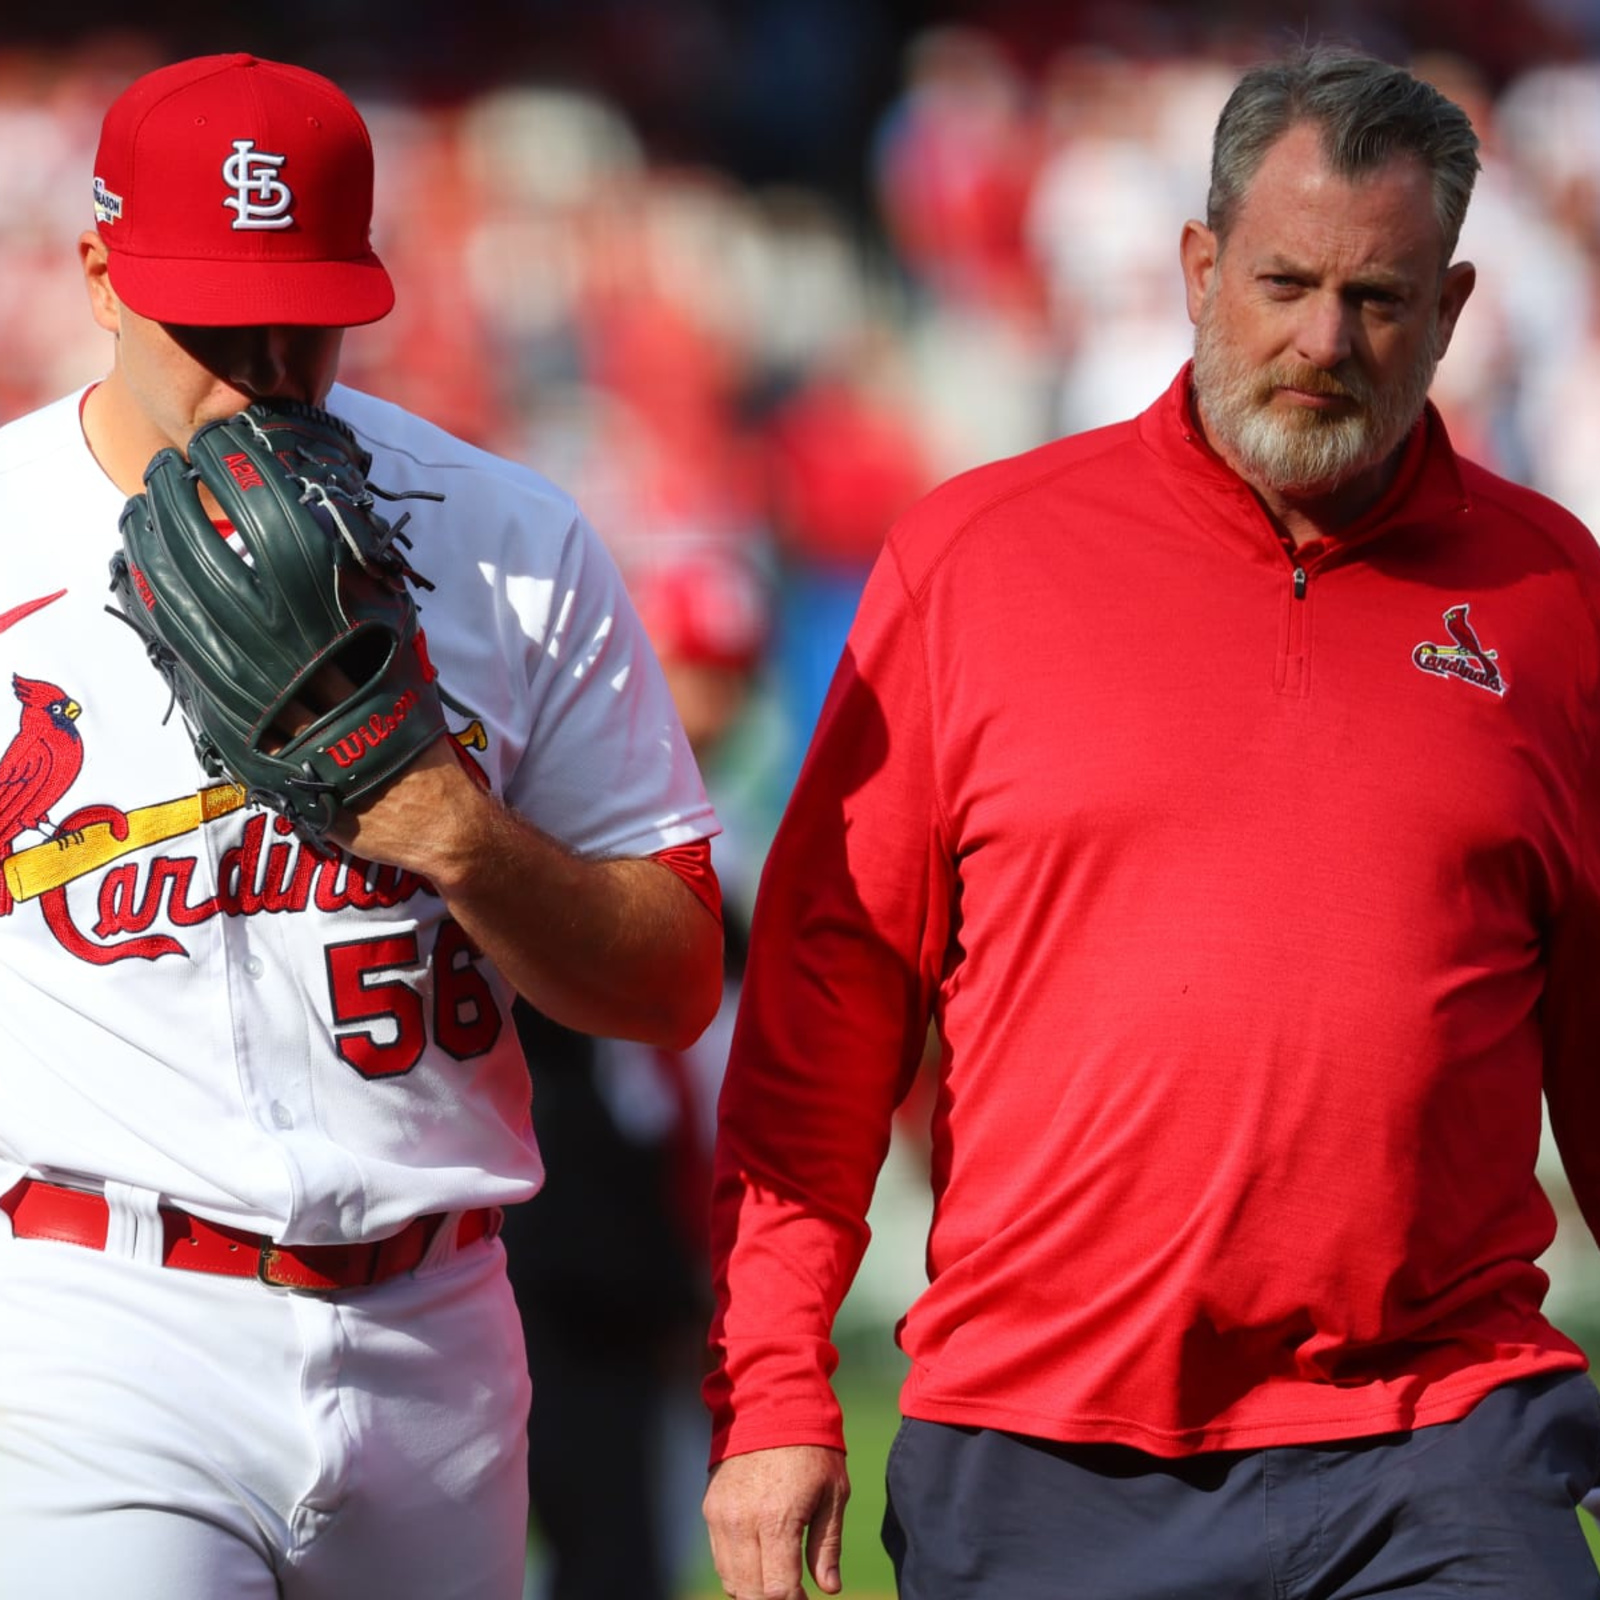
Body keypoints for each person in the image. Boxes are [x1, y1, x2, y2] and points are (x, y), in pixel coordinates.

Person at [701, 43, 1600, 1600]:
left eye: (1380, 300)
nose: (1327, 339)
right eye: (1285, 282)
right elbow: (823, 1015)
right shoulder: (973, 563)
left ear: (1453, 312)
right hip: (1046, 1448)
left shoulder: (1555, 596)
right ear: (1195, 268)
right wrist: (776, 1388)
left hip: (1437, 1429)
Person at [0, 52, 724, 1600]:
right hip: (100, 1325)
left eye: (306, 315)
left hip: (438, 1330)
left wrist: (462, 838)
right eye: (214, 317)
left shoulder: (509, 539)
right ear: (104, 274)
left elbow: (670, 979)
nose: (265, 366)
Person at [501, 540, 771, 1600]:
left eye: (727, 675)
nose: (704, 703)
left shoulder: (736, 842)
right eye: (685, 668)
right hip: (546, 1234)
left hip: (647, 1248)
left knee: (626, 1547)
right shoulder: (558, 820)